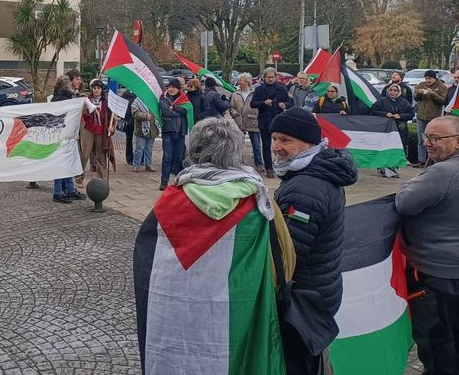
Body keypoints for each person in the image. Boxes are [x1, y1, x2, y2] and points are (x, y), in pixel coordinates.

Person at [133, 118, 292, 374]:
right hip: (238, 312)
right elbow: (284, 262)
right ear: (235, 153)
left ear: (193, 150)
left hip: (175, 317)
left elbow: (146, 263)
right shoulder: (259, 205)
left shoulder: (168, 203)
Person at [270, 107, 358, 374]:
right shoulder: (315, 172)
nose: (276, 146)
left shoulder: (306, 188)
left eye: (286, 140)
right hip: (318, 291)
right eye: (274, 138)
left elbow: (290, 254)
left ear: (309, 143)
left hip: (302, 299)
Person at [395, 116, 459, 375]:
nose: (428, 143)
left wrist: (407, 184)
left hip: (435, 274)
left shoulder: (443, 172)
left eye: (436, 138)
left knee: (437, 344)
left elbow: (404, 203)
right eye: (426, 137)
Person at [250, 67, 293, 179]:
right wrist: (264, 102)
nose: (270, 79)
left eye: (272, 77)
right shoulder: (259, 89)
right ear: (264, 78)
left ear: (275, 77)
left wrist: (284, 105)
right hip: (264, 121)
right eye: (268, 77)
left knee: (281, 145)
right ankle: (269, 168)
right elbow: (253, 103)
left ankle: (281, 165)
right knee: (266, 145)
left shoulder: (281, 88)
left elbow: (290, 103)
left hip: (278, 121)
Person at [50, 75, 87, 203]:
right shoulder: (64, 98)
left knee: (68, 162)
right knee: (62, 163)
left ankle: (69, 190)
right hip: (64, 135)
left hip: (65, 134)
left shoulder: (58, 97)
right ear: (67, 85)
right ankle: (58, 192)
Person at [75, 80, 115, 187]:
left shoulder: (106, 102)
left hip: (101, 131)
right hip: (88, 129)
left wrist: (112, 127)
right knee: (84, 154)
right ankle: (79, 179)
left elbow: (111, 117)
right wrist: (88, 108)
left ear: (102, 90)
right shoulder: (87, 100)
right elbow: (82, 115)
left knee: (101, 156)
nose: (96, 90)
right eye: (94, 88)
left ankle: (101, 179)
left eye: (98, 88)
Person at [371, 84, 415, 178]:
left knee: (397, 149)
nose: (393, 92)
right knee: (385, 148)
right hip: (385, 130)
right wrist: (385, 114)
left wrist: (401, 116)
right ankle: (383, 169)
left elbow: (411, 113)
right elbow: (373, 110)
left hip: (400, 130)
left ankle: (393, 170)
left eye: (395, 90)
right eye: (391, 90)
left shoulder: (404, 102)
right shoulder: (382, 101)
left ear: (399, 92)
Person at [413, 70, 448, 168]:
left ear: (434, 78)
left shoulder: (441, 86)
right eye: (426, 78)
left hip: (434, 118)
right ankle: (421, 160)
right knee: (421, 140)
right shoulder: (421, 85)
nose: (427, 80)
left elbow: (443, 100)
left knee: (433, 140)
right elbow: (415, 97)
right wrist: (419, 93)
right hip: (421, 116)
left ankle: (432, 161)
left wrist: (432, 93)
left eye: (429, 78)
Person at [229, 72, 263, 171]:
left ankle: (259, 164)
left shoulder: (256, 93)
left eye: (241, 80)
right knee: (238, 145)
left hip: (253, 121)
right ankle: (238, 163)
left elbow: (259, 105)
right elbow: (231, 107)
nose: (239, 82)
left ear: (247, 82)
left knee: (256, 145)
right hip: (239, 122)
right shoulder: (235, 94)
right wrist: (235, 114)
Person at [158, 78, 188, 191]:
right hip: (168, 131)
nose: (171, 89)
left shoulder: (184, 98)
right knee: (167, 157)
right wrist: (177, 112)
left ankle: (179, 181)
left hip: (180, 131)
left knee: (178, 157)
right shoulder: (163, 98)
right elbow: (165, 111)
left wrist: (174, 108)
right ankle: (164, 181)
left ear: (178, 89)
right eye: (169, 87)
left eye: (173, 87)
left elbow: (186, 110)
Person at [131, 97, 159, 173]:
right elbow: (134, 113)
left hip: (152, 129)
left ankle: (148, 165)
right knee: (139, 148)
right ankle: (136, 165)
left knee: (149, 148)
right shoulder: (137, 100)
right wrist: (145, 116)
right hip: (141, 130)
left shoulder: (154, 99)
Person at [120, 87, 137, 165]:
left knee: (140, 141)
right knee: (129, 139)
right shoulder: (126, 94)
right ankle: (130, 158)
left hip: (139, 120)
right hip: (129, 120)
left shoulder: (140, 93)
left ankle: (139, 158)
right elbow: (121, 106)